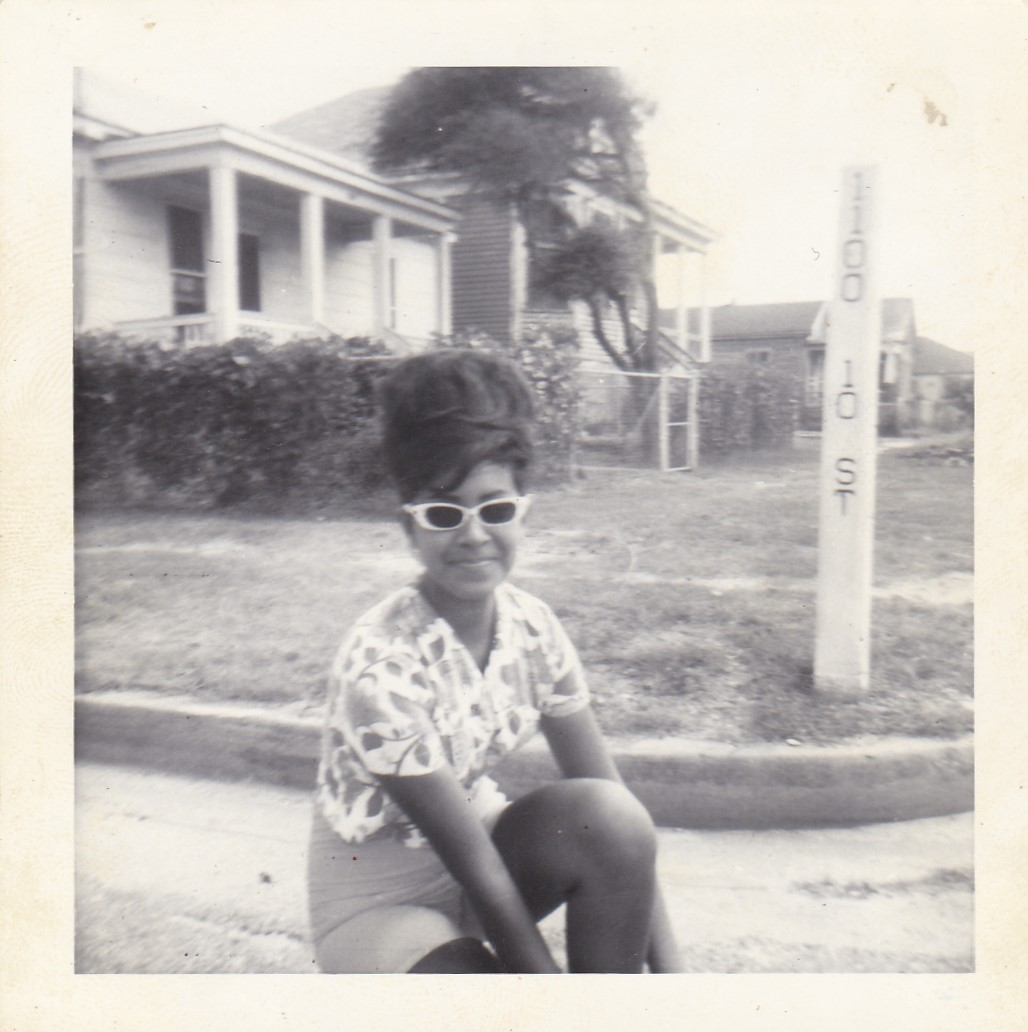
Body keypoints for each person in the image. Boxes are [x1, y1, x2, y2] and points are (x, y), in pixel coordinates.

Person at [307, 348, 681, 974]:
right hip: (378, 903)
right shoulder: (379, 667)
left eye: (497, 508)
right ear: (409, 527)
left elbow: (626, 834)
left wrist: (678, 988)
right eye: (445, 512)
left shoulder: (534, 629)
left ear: (523, 510)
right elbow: (483, 878)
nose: (474, 535)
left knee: (612, 821)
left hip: (481, 860)